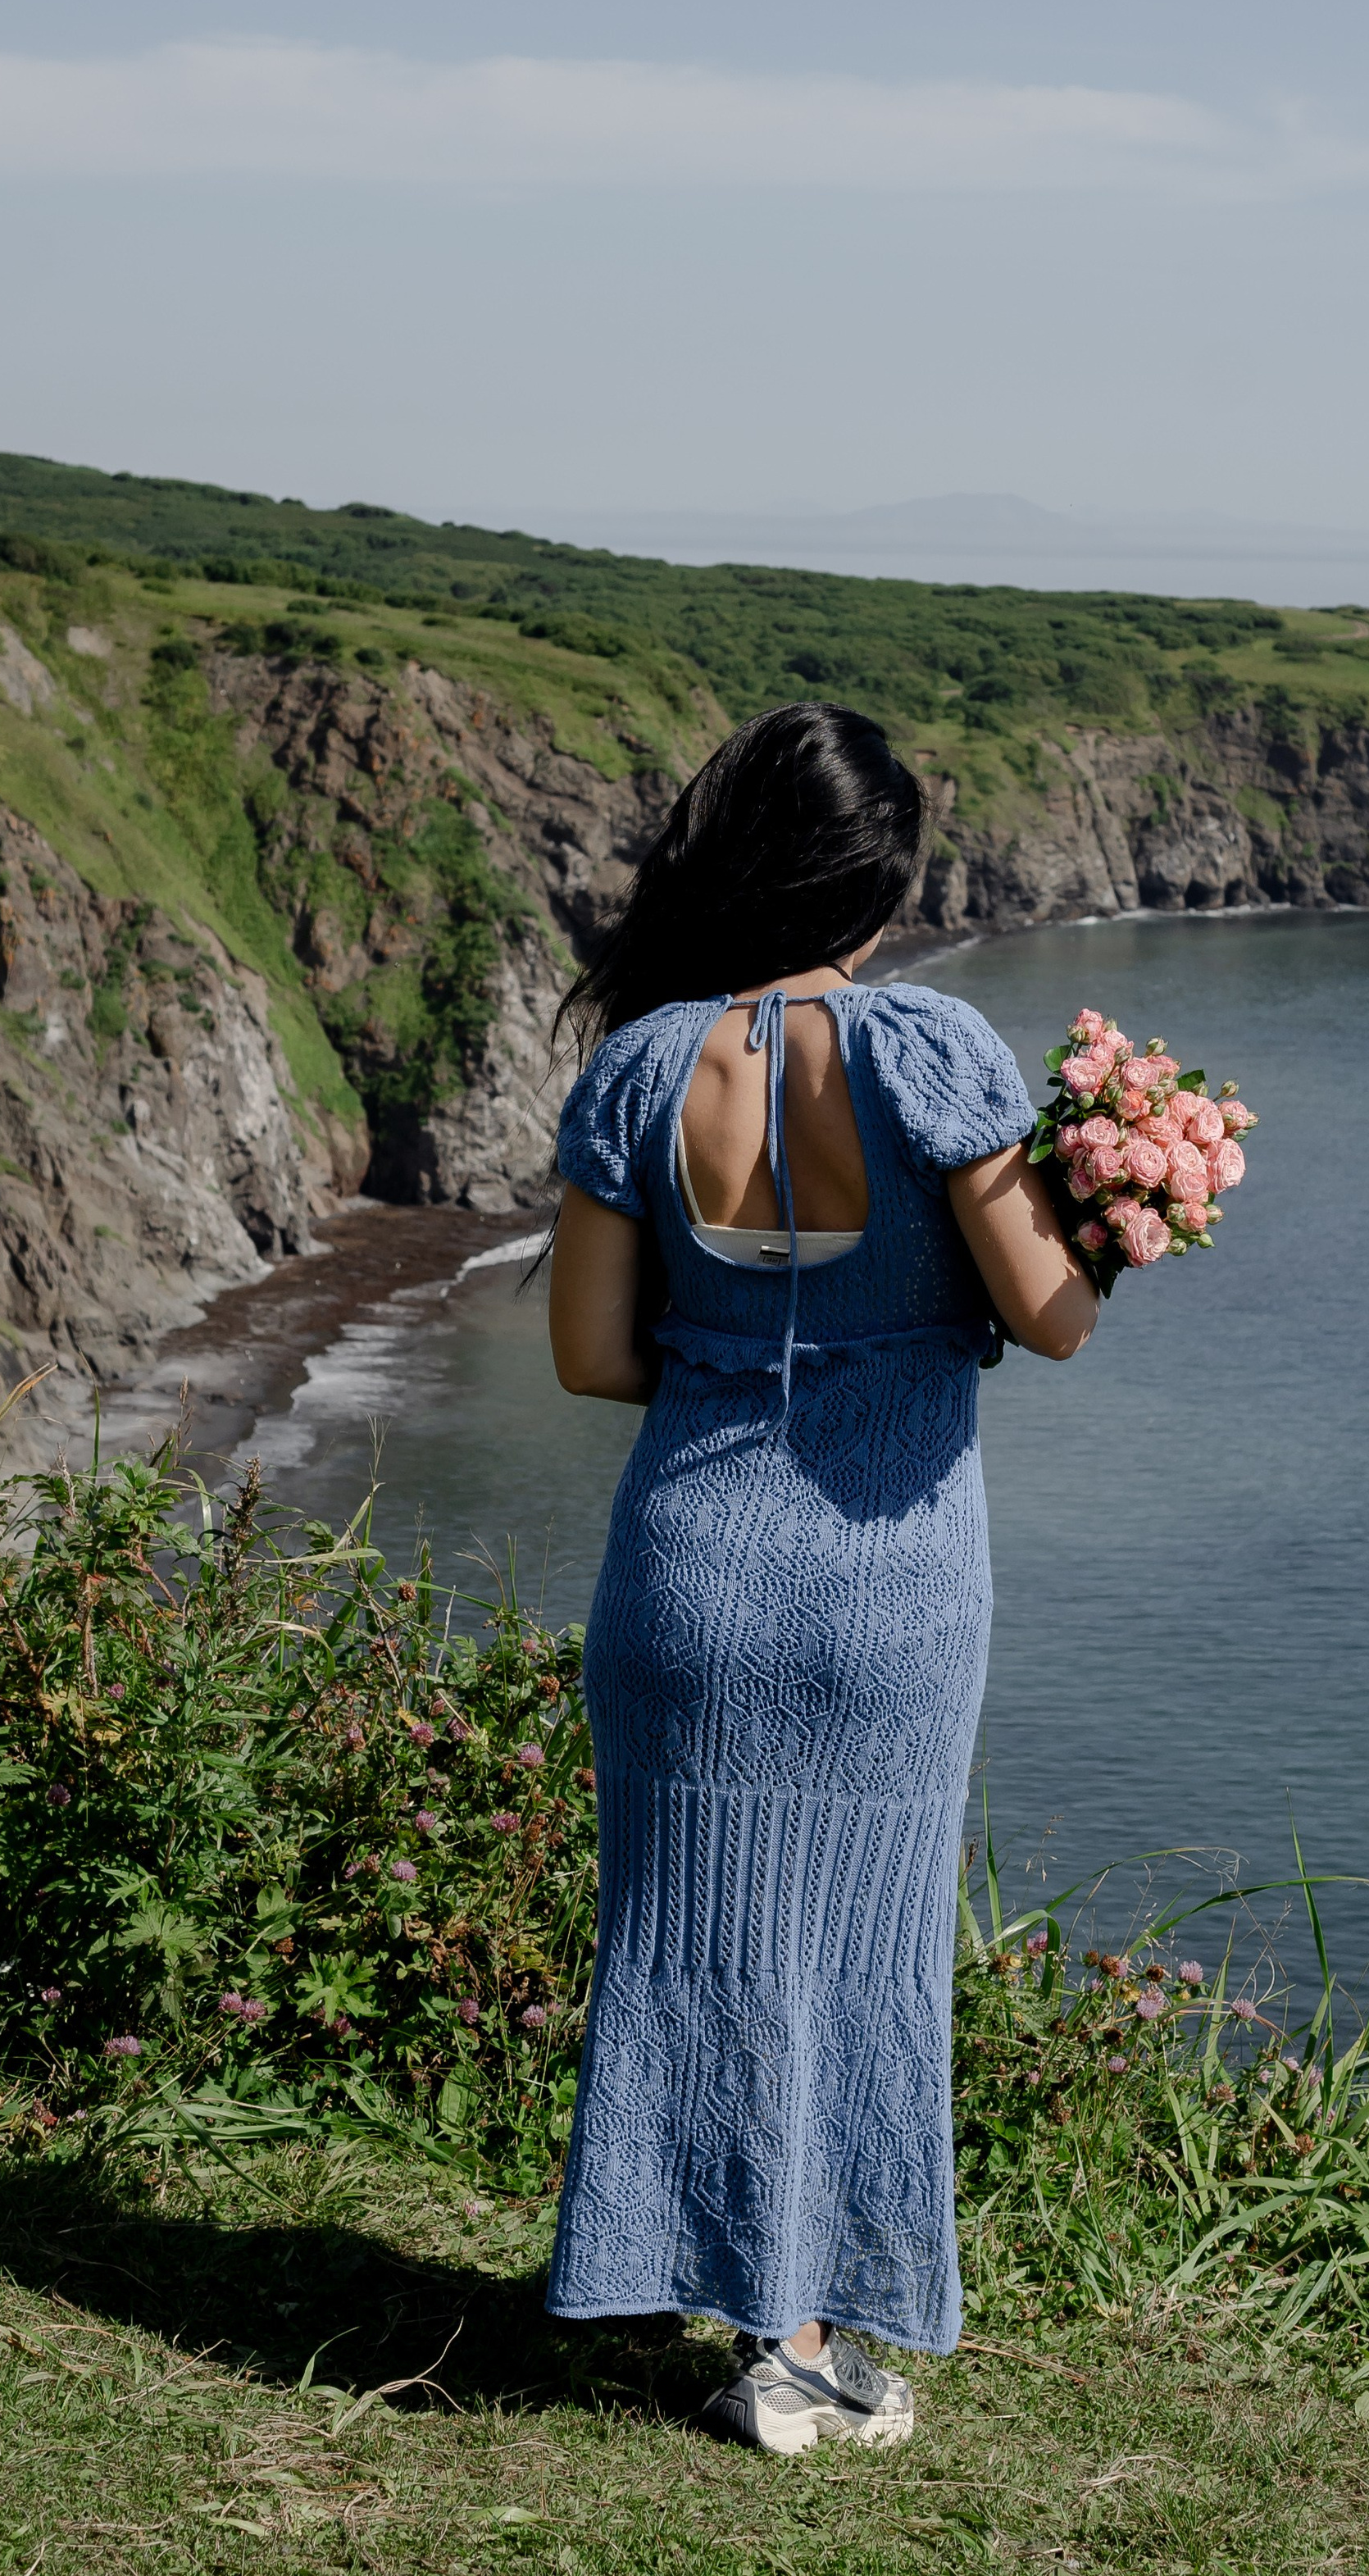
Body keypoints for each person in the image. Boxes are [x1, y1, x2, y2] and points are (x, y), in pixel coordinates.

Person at [543, 700, 1097, 2455]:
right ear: (878, 876)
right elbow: (1050, 1317)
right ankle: (814, 2338)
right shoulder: (932, 1052)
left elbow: (585, 1358)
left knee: (691, 1940)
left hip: (689, 1573)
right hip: (889, 1580)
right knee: (862, 1947)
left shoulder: (640, 1067)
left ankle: (759, 2331)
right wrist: (1116, 1219)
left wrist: (730, 1363)